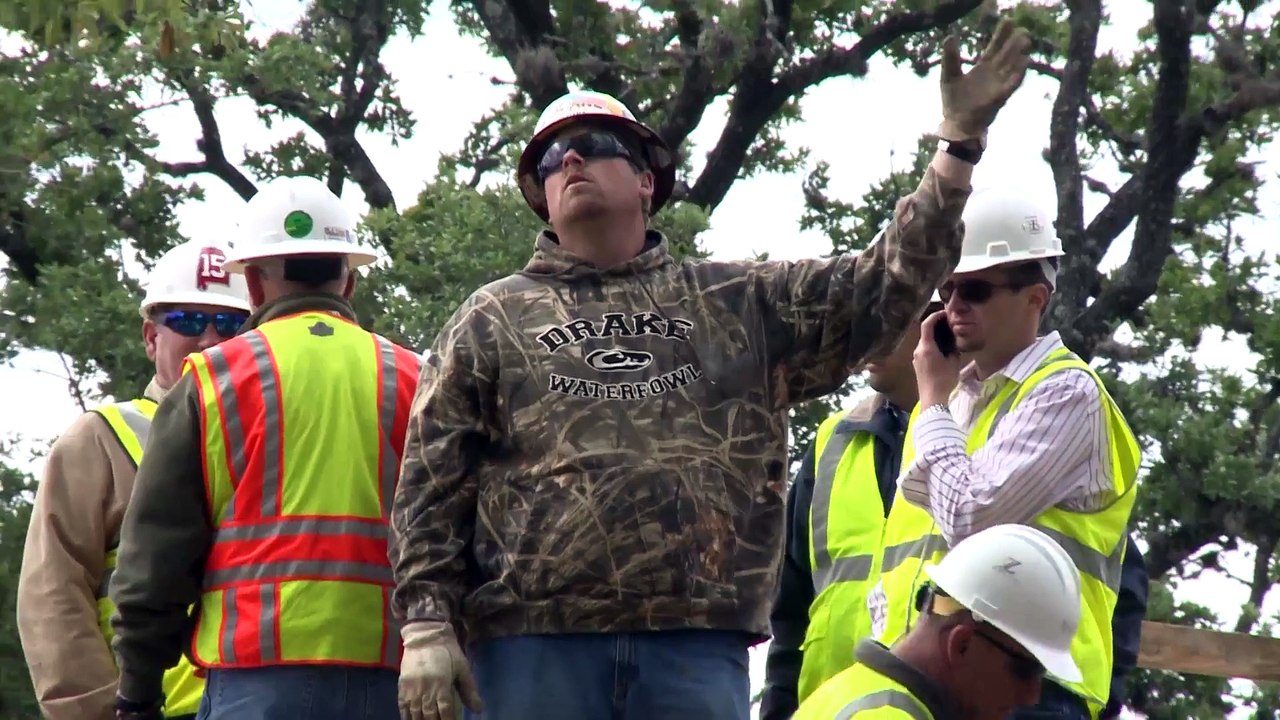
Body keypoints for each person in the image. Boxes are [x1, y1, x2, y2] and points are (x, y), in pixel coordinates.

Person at [391, 18, 1035, 720]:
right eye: (551, 160)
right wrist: (425, 624)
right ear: (538, 194)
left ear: (646, 180)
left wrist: (958, 149)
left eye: (593, 147)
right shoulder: (490, 318)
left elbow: (887, 284)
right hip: (531, 649)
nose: (570, 162)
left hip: (696, 647)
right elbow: (430, 481)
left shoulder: (740, 300)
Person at [106, 176, 423, 720]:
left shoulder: (209, 380)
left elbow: (155, 559)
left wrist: (138, 688)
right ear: (348, 281)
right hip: (394, 674)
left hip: (254, 678)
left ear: (251, 285)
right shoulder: (415, 376)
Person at [761, 301, 1149, 717]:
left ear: (944, 325)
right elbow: (791, 616)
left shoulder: (1024, 431)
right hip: (850, 700)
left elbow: (1114, 597)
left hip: (992, 698)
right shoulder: (833, 445)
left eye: (887, 317)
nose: (865, 337)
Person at [866, 187, 1145, 720]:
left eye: (974, 289)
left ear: (1035, 299)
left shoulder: (1066, 393)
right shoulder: (959, 394)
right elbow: (924, 517)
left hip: (1034, 681)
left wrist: (929, 402)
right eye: (947, 289)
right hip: (942, 676)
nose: (953, 306)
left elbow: (970, 520)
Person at [17, 239, 252, 720]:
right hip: (146, 709)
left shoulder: (277, 436)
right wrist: (94, 710)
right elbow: (53, 594)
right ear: (150, 337)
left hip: (259, 701)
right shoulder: (100, 439)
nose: (210, 339)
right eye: (187, 321)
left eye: (230, 324)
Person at [794, 523, 1084, 720]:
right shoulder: (885, 715)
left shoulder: (850, 693)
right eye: (1025, 670)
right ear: (962, 644)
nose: (1033, 695)